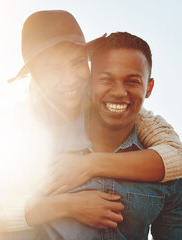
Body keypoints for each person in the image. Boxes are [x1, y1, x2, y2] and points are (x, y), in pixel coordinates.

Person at [0, 10, 182, 236]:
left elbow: (176, 155)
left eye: (77, 63)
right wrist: (66, 206)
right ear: (35, 75)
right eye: (52, 70)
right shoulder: (15, 128)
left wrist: (88, 164)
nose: (69, 79)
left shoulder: (117, 109)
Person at [40, 31, 182, 240]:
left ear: (149, 88)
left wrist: (89, 164)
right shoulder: (45, 145)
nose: (118, 92)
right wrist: (65, 206)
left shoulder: (166, 174)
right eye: (106, 79)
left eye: (132, 81)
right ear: (88, 83)